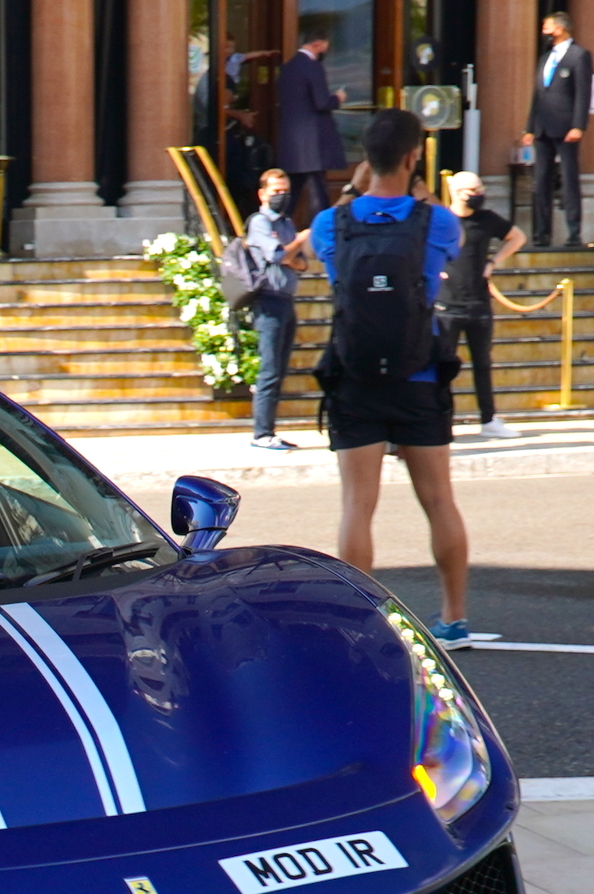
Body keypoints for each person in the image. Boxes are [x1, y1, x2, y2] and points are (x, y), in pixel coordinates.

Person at [311, 109, 485, 647]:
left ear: (365, 159)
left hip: (355, 375)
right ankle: (453, 617)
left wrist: (352, 193)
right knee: (438, 500)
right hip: (419, 373)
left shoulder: (329, 224)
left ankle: (362, 619)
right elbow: (437, 239)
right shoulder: (438, 222)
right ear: (413, 158)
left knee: (357, 505)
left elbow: (324, 250)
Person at [438, 171, 527, 439]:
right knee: (443, 365)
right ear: (456, 191)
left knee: (483, 363)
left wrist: (493, 261)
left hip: (478, 302)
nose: (478, 195)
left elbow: (517, 237)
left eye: (480, 189)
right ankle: (442, 420)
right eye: (472, 191)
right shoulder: (442, 220)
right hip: (446, 304)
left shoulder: (487, 220)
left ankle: (488, 418)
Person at [243, 168, 307, 451]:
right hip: (267, 301)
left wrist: (290, 253)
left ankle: (270, 430)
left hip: (286, 299)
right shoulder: (259, 222)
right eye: (276, 192)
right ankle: (261, 433)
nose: (281, 196)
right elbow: (277, 255)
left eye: (285, 191)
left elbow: (301, 263)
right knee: (268, 369)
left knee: (280, 369)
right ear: (262, 194)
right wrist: (300, 240)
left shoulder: (285, 223)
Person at [521, 11, 593, 249]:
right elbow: (537, 95)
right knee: (541, 180)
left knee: (569, 178)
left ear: (560, 29)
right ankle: (542, 232)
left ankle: (574, 232)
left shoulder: (579, 56)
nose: (544, 32)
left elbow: (583, 93)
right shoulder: (545, 58)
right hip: (542, 127)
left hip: (566, 127)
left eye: (547, 27)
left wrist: (578, 125)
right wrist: (530, 127)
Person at [274, 28, 346, 227]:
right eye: (324, 46)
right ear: (317, 44)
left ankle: (279, 227)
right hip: (313, 141)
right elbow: (322, 102)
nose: (325, 50)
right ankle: (321, 233)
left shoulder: (287, 68)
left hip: (293, 141)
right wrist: (337, 98)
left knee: (293, 190)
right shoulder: (312, 67)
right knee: (318, 193)